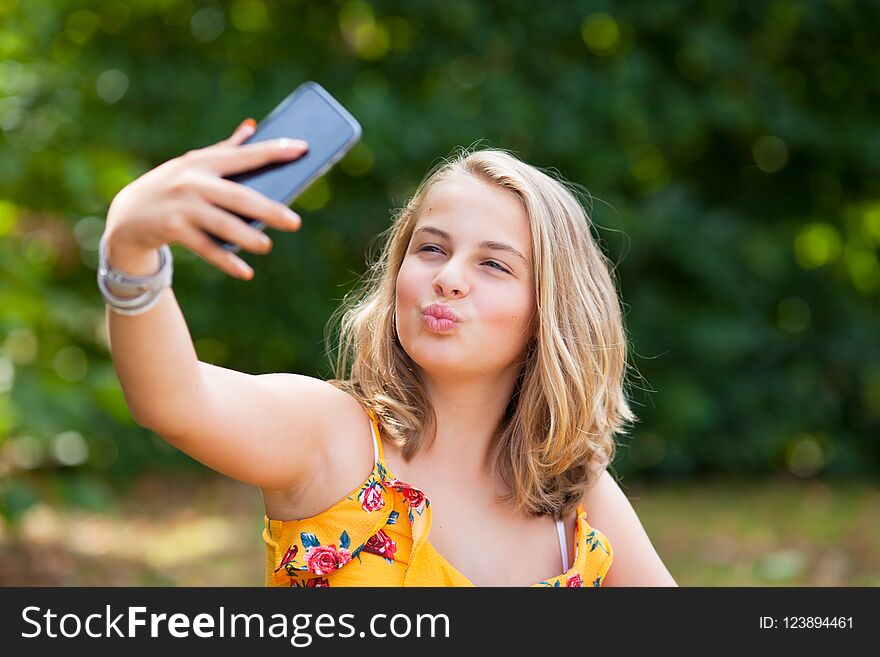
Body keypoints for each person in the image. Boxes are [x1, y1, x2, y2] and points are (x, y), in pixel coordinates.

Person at [100, 117, 677, 587]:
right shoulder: (330, 435)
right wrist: (129, 246)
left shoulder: (576, 499)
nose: (449, 278)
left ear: (552, 312)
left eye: (494, 264)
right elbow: (174, 399)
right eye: (431, 249)